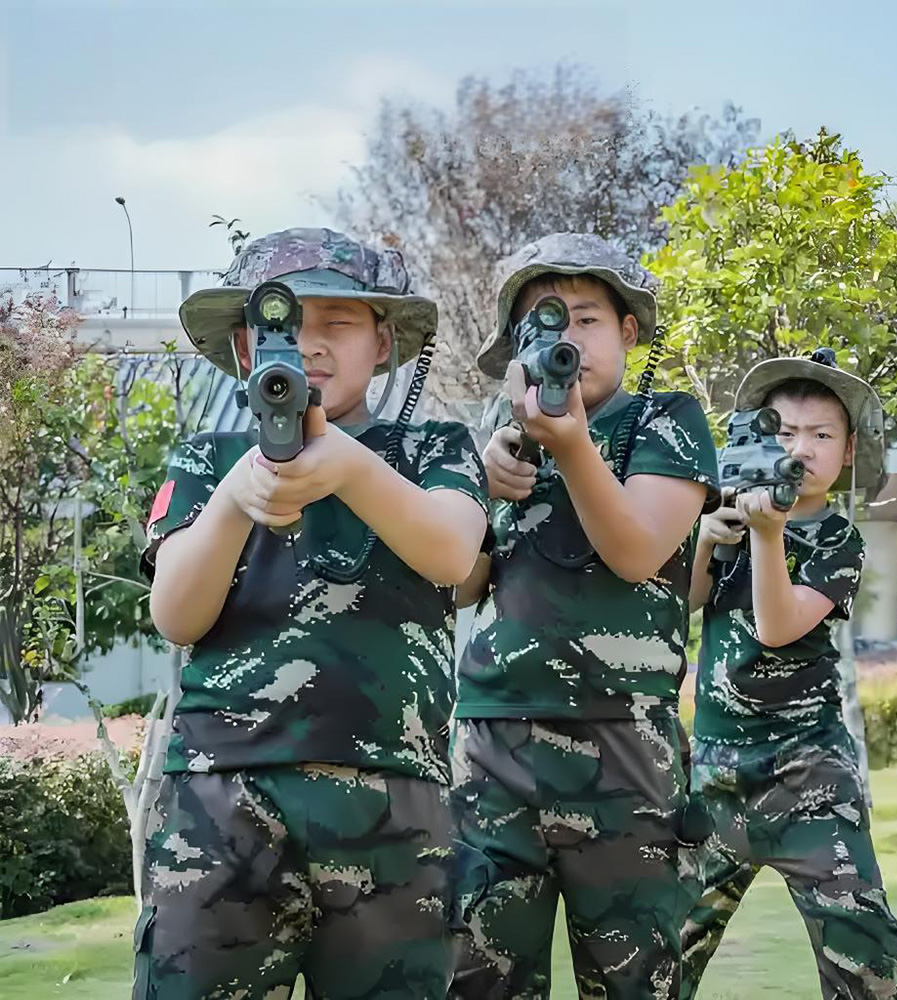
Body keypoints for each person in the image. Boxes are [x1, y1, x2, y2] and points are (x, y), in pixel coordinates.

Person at [136, 228, 489, 998]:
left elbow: (454, 556)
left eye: (339, 321)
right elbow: (177, 614)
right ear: (242, 347)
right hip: (220, 800)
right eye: (285, 324)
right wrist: (236, 495)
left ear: (383, 341)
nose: (310, 344)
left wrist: (351, 466)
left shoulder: (432, 448)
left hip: (393, 804)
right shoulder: (205, 457)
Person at [449, 233, 718, 999]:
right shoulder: (498, 444)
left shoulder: (665, 422)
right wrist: (481, 488)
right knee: (478, 982)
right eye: (542, 323)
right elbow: (463, 584)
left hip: (623, 746)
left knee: (635, 983)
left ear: (628, 332)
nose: (564, 340)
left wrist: (566, 445)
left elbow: (636, 549)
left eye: (586, 320)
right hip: (492, 744)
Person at [680, 351, 897, 1000]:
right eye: (783, 432)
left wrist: (766, 536)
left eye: (821, 434)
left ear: (848, 450)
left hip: (808, 773)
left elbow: (778, 627)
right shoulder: (723, 508)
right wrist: (704, 539)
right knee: (658, 951)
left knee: (864, 956)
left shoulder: (839, 540)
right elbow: (688, 602)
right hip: (717, 771)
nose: (800, 448)